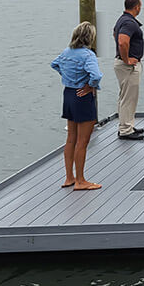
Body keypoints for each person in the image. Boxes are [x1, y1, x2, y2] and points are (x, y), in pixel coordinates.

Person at [52, 21, 103, 190]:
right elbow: (95, 75)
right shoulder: (88, 55)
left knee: (71, 139)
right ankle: (81, 181)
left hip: (68, 94)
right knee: (83, 141)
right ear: (90, 37)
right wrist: (89, 85)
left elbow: (55, 64)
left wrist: (67, 77)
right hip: (82, 97)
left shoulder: (67, 52)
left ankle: (69, 178)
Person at [113, 0, 144, 141]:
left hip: (123, 64)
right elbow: (122, 41)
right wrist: (127, 59)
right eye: (140, 6)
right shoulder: (129, 23)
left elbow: (115, 34)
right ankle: (125, 130)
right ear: (137, 7)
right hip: (127, 66)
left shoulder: (122, 20)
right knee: (128, 97)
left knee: (125, 96)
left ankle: (127, 125)